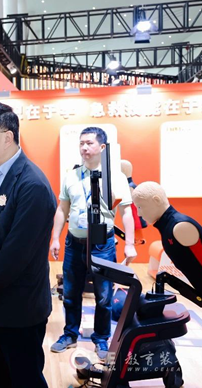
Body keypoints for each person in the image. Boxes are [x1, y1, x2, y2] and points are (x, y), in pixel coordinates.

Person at [0, 101, 56, 388]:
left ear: (7, 137)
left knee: (25, 380)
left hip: (19, 306)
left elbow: (18, 251)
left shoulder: (32, 185)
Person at [49, 127, 136, 360]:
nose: (84, 148)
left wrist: (129, 243)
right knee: (70, 293)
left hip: (103, 245)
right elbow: (62, 208)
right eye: (81, 143)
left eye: (89, 143)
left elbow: (127, 212)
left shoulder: (115, 177)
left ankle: (101, 338)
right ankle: (70, 334)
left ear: (102, 147)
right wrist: (55, 238)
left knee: (104, 296)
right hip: (74, 243)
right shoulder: (71, 176)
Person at [132, 182, 202, 300]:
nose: (139, 213)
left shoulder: (179, 226)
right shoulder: (168, 226)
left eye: (140, 207)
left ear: (156, 200)